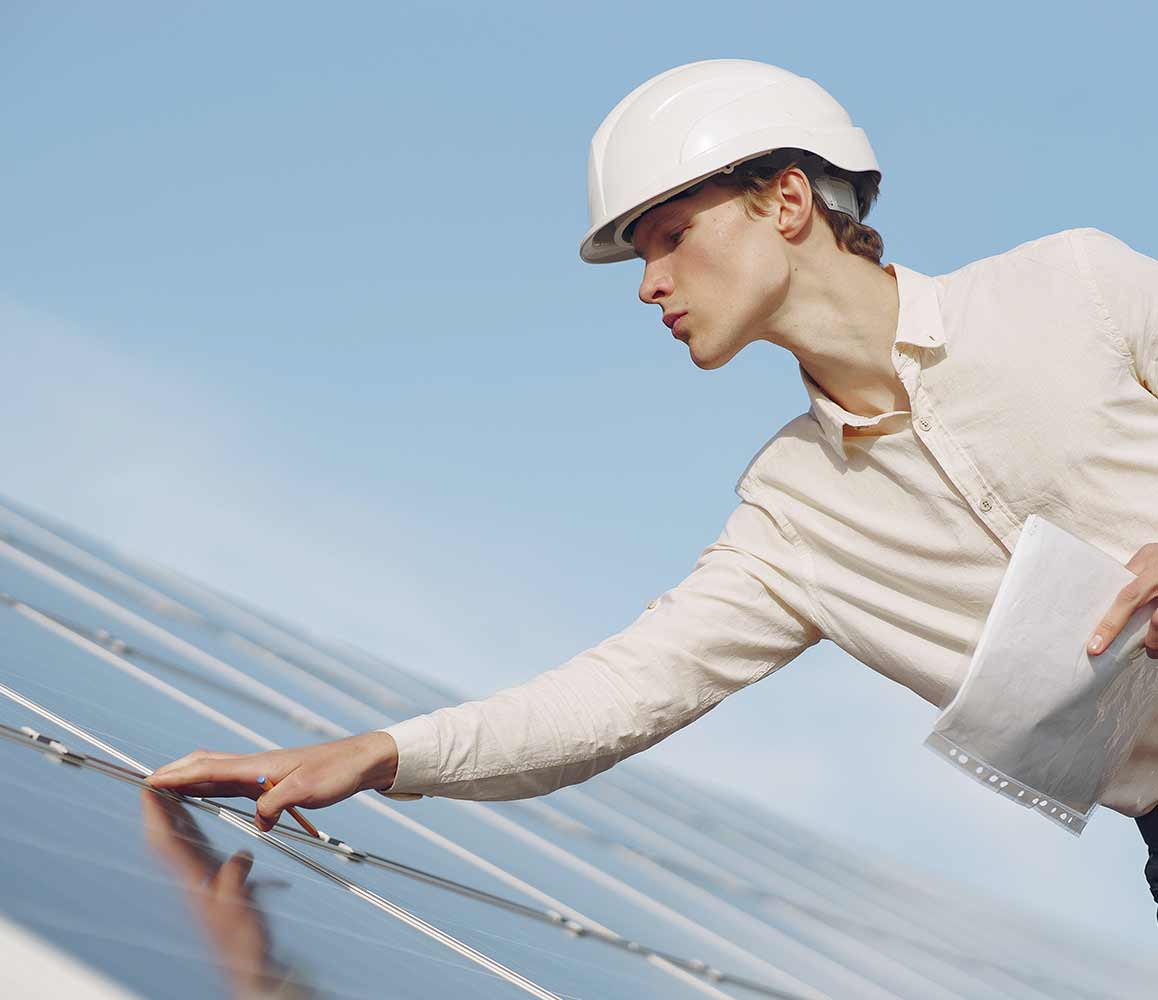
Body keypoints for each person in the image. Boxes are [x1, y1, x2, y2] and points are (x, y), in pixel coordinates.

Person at [146, 59, 1158, 914]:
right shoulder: (792, 515)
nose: (649, 285)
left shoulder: (1071, 287)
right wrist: (380, 753)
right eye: (640, 255)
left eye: (672, 235)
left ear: (789, 200)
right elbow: (616, 697)